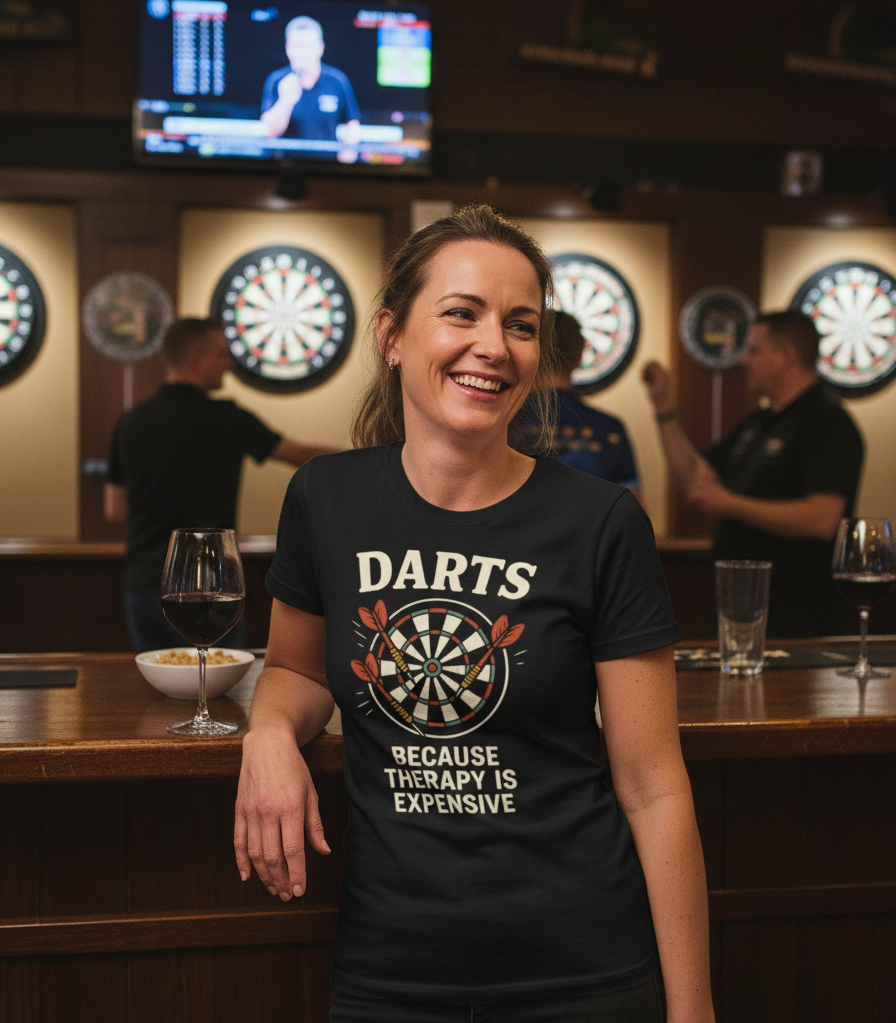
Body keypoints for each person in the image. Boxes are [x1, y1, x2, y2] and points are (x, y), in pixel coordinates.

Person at [234, 205, 715, 1023]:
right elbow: (294, 669)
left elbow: (653, 787)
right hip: (392, 974)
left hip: (585, 972)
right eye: (462, 312)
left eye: (520, 324)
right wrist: (270, 733)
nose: (495, 344)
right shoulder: (324, 498)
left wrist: (693, 1008)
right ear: (392, 334)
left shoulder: (601, 521)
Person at [105, 317, 332, 652]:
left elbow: (114, 509)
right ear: (196, 358)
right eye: (222, 354)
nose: (229, 364)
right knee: (216, 678)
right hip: (212, 588)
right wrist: (369, 455)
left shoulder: (129, 423)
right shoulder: (228, 418)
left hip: (145, 584)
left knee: (160, 678)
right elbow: (298, 455)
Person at [642, 310, 864, 638]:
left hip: (796, 621)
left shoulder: (826, 421)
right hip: (739, 611)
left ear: (786, 356)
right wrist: (663, 406)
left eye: (754, 351)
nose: (744, 361)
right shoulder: (758, 422)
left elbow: (823, 519)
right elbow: (694, 479)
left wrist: (730, 504)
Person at [513, 309, 642, 500]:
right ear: (580, 354)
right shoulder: (609, 428)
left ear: (534, 352)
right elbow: (633, 509)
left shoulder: (506, 423)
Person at [261, 15, 360, 157]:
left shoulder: (337, 81)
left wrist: (347, 157)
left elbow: (352, 124)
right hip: (287, 166)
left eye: (308, 46)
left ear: (320, 48)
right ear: (288, 48)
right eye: (297, 46)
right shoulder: (277, 81)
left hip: (327, 167)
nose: (302, 52)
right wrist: (285, 101)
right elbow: (270, 132)